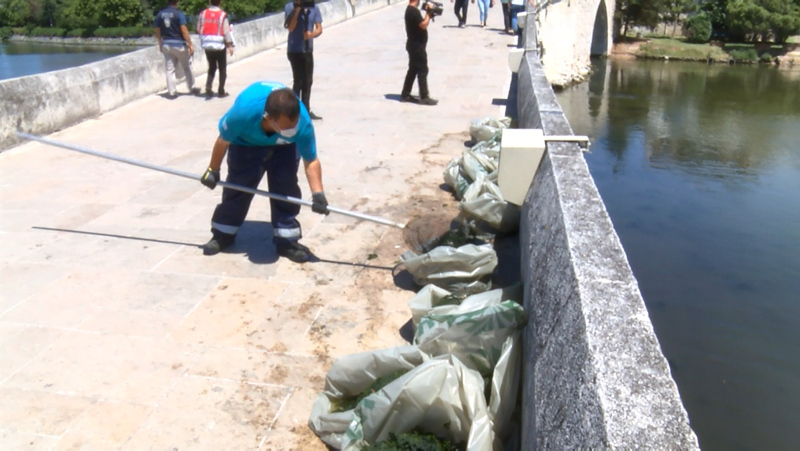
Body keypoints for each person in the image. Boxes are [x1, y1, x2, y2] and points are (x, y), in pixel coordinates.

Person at [199, 81, 330, 263]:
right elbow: (223, 140)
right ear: (268, 118)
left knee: (285, 189)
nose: (291, 130)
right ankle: (223, 234)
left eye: (293, 126)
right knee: (238, 187)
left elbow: (311, 159)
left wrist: (318, 194)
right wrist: (213, 170)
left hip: (285, 148)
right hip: (246, 144)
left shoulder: (302, 123)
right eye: (285, 127)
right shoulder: (243, 113)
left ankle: (286, 240)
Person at [284, 0, 323, 120]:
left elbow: (319, 28)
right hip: (294, 50)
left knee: (308, 80)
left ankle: (306, 109)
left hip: (307, 50)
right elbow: (290, 28)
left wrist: (311, 35)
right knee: (298, 80)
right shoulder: (289, 7)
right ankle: (293, 110)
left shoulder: (313, 7)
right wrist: (297, 11)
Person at [155, 0, 199, 98]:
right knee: (187, 66)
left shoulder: (160, 14)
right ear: (176, 2)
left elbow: (158, 31)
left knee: (169, 69)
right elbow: (184, 30)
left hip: (166, 44)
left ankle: (172, 91)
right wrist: (190, 44)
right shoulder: (179, 14)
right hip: (179, 44)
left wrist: (160, 43)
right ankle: (192, 87)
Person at [400, 0, 438, 106]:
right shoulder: (413, 11)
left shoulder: (410, 10)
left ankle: (405, 94)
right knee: (422, 69)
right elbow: (423, 25)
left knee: (413, 69)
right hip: (417, 46)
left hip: (413, 45)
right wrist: (429, 13)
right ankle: (424, 96)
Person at [198, 0, 235, 98]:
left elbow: (198, 29)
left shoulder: (203, 13)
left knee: (212, 66)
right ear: (220, 2)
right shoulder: (222, 15)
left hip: (207, 44)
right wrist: (230, 45)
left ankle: (208, 86)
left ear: (210, 1)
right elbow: (226, 31)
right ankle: (221, 91)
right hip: (219, 46)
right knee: (222, 69)